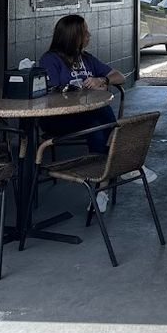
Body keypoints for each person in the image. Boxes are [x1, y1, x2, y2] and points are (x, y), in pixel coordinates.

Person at [39, 15, 126, 212]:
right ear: (73, 36)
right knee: (97, 117)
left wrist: (102, 80)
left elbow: (120, 76)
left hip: (87, 117)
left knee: (97, 118)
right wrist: (82, 93)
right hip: (58, 119)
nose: (89, 36)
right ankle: (119, 158)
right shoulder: (50, 60)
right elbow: (51, 95)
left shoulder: (85, 59)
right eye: (85, 32)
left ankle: (101, 188)